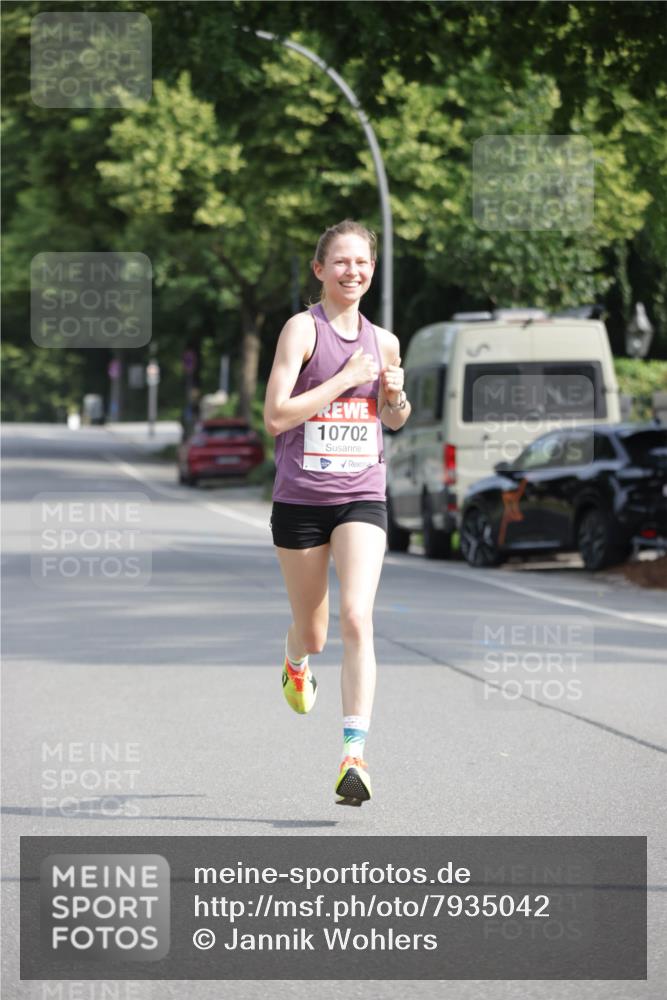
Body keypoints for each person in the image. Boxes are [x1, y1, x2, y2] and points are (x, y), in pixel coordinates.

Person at [263, 219, 411, 806]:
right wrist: (345, 378)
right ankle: (295, 658)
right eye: (342, 262)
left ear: (372, 272)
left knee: (357, 618)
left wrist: (393, 396)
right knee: (317, 633)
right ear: (320, 270)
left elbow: (394, 419)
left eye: (364, 263)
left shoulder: (386, 341)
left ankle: (355, 755)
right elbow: (276, 416)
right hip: (300, 498)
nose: (354, 271)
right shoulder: (302, 331)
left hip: (361, 495)